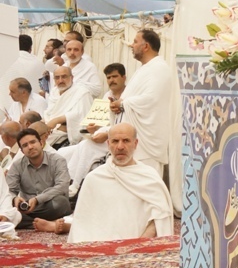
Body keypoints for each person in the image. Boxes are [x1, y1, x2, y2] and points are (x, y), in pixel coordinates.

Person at [34, 123, 173, 241]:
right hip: (102, 250)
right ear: (108, 144)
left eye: (126, 141)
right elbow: (83, 224)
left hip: (140, 246)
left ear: (135, 144)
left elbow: (161, 215)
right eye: (115, 141)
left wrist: (140, 244)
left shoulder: (149, 177)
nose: (120, 147)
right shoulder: (94, 178)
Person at [58, 63, 127, 196]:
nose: (111, 80)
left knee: (88, 145)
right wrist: (94, 127)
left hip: (119, 139)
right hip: (102, 136)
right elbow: (99, 120)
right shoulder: (107, 95)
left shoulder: (128, 96)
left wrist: (107, 134)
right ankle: (63, 184)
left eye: (115, 76)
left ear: (124, 77)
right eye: (109, 77)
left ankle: (76, 184)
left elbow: (126, 124)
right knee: (63, 152)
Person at [110, 30, 172, 177]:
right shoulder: (146, 69)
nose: (132, 45)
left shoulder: (159, 68)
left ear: (146, 46)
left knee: (145, 185)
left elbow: (152, 99)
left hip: (146, 143)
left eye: (136, 41)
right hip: (133, 138)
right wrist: (118, 105)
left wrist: (123, 104)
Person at [5, 128, 71, 229]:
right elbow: (8, 191)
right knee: (7, 210)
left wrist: (37, 199)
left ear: (41, 143)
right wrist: (14, 199)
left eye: (32, 142)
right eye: (25, 145)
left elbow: (62, 186)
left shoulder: (58, 160)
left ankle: (26, 223)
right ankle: (46, 224)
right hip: (26, 209)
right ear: (22, 151)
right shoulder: (17, 165)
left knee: (61, 202)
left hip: (49, 205)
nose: (30, 147)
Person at [42, 66, 94, 148]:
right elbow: (49, 112)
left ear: (72, 77)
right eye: (57, 78)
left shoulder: (82, 92)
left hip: (66, 132)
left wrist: (57, 120)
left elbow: (81, 115)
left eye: (64, 77)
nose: (60, 80)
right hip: (50, 128)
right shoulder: (54, 92)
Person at [0, 34, 46, 112]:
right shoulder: (38, 63)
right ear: (30, 48)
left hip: (3, 106)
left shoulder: (5, 60)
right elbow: (43, 86)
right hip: (32, 108)